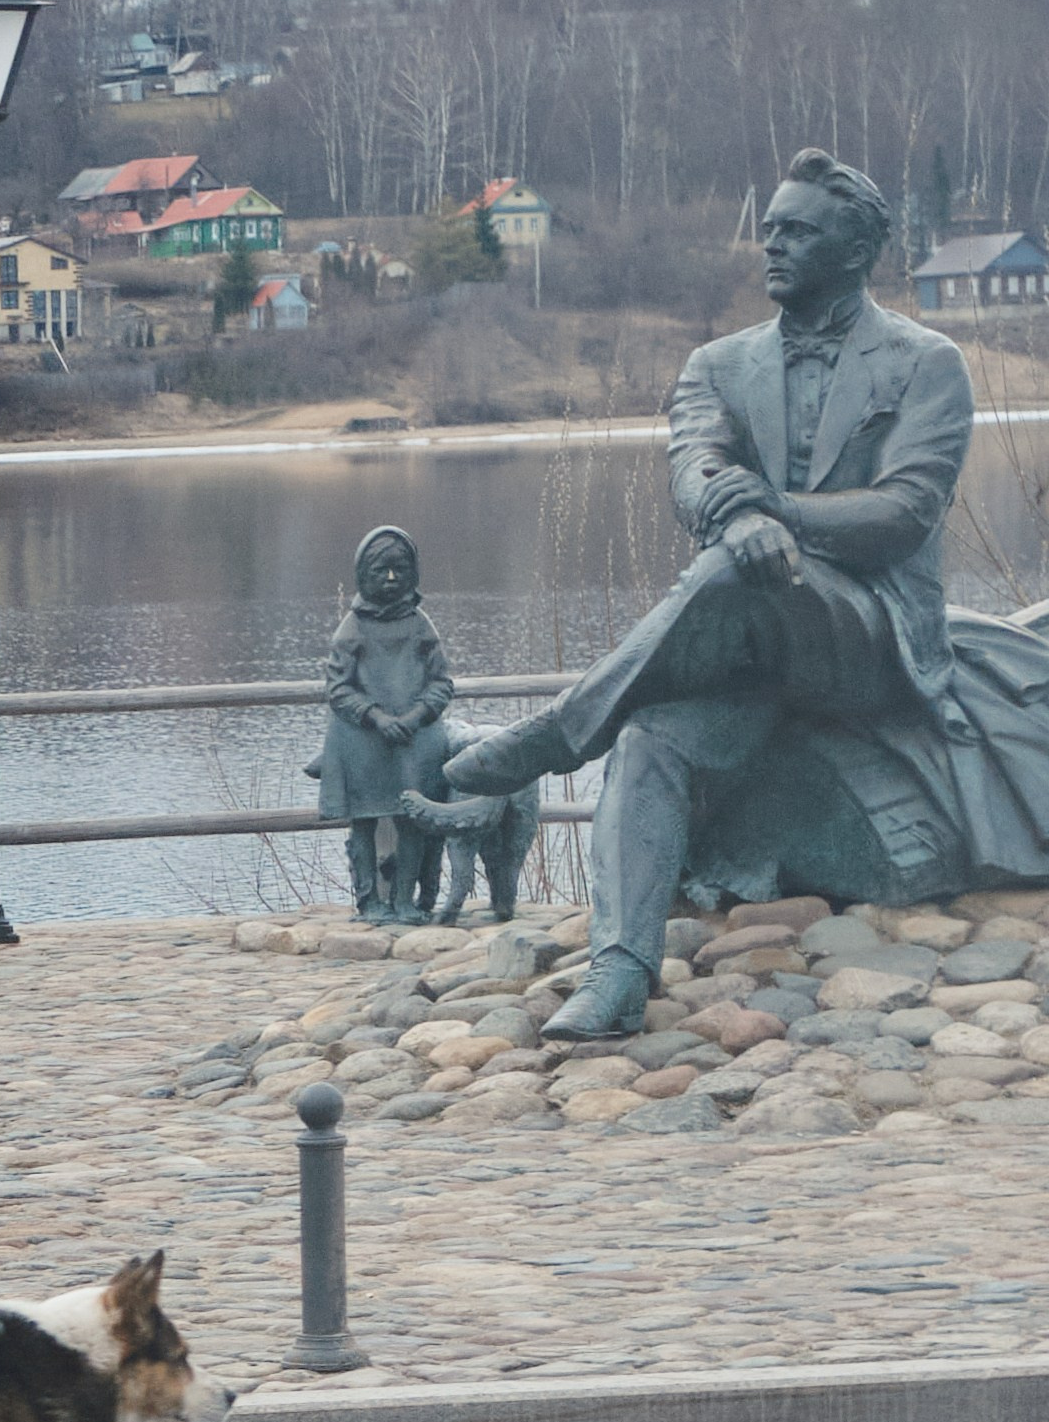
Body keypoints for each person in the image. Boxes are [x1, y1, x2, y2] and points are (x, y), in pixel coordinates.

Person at [444, 146, 1049, 1039]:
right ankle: (619, 972)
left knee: (735, 569)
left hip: (869, 639)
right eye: (770, 229)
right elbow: (694, 473)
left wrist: (774, 513)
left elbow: (903, 513)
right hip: (747, 645)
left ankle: (562, 730)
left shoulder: (927, 363)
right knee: (650, 738)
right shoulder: (718, 365)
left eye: (797, 231)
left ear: (855, 251)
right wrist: (739, 519)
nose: (772, 245)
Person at [314, 525, 455, 922]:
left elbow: (441, 682)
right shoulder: (352, 628)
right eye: (381, 571)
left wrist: (416, 716)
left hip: (413, 740)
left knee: (413, 820)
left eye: (400, 570)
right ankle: (369, 901)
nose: (391, 578)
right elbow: (338, 688)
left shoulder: (421, 625)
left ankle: (405, 900)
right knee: (363, 823)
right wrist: (375, 716)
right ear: (364, 574)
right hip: (360, 740)